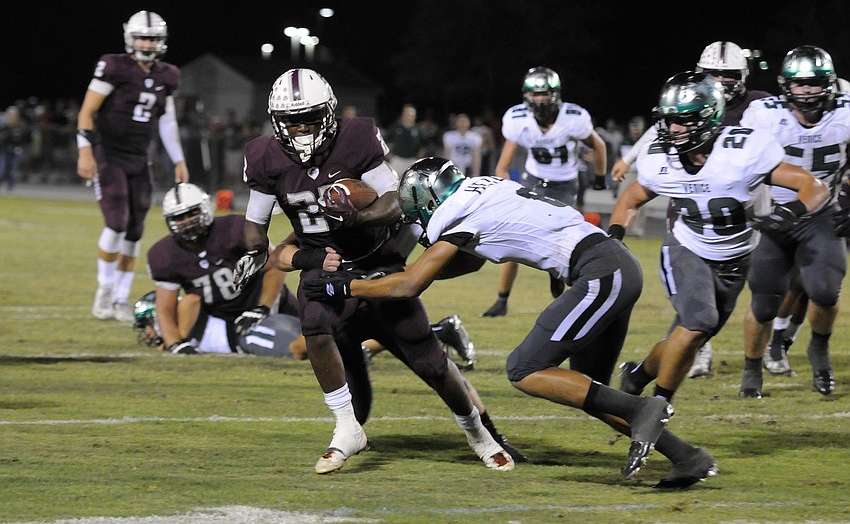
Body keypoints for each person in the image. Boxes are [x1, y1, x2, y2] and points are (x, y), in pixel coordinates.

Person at [304, 157, 720, 488]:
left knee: (524, 368)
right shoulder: (485, 188)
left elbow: (410, 285)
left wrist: (347, 285)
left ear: (428, 200)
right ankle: (687, 456)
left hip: (597, 272)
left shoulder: (458, 211)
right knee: (587, 389)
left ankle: (645, 406)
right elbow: (460, 264)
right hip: (608, 266)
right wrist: (387, 279)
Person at [234, 68, 521, 474]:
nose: (300, 130)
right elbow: (255, 229)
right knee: (313, 326)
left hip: (375, 262)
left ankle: (479, 433)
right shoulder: (264, 157)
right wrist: (257, 251)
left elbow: (395, 199)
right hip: (325, 267)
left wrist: (357, 216)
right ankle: (347, 426)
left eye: (310, 119)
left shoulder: (355, 137)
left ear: (329, 113)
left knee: (430, 362)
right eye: (291, 121)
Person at [611, 72, 828, 403]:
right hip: (687, 248)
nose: (673, 130)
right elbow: (631, 199)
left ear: (709, 116)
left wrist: (787, 214)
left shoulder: (743, 150)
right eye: (669, 121)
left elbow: (814, 187)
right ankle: (658, 405)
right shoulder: (660, 159)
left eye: (683, 121)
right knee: (698, 323)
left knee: (692, 336)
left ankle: (637, 376)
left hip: (736, 259)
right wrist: (614, 236)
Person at [610, 41, 773, 378]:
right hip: (693, 212)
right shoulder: (683, 112)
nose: (721, 80)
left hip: (744, 217)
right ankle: (680, 369)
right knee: (698, 313)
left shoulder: (763, 108)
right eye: (713, 73)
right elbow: (658, 139)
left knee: (718, 312)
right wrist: (627, 160)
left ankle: (647, 371)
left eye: (728, 74)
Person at [737, 45, 850, 397]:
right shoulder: (764, 114)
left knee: (826, 292)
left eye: (815, 83)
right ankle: (752, 369)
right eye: (799, 84)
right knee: (763, 303)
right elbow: (739, 160)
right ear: (786, 85)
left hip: (820, 215)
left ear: (830, 83)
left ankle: (818, 346)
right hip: (774, 215)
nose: (807, 91)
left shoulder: (846, 113)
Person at [76, 10, 189, 322]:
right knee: (116, 222)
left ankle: (121, 299)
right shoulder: (114, 66)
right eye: (142, 37)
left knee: (135, 230)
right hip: (107, 153)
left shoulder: (168, 74)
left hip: (139, 157)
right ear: (130, 37)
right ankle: (105, 290)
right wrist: (85, 152)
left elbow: (167, 121)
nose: (147, 43)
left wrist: (179, 159)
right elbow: (87, 112)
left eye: (152, 38)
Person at [482, 66, 608, 317]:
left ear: (556, 94)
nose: (540, 100)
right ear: (526, 96)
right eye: (535, 94)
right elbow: (503, 166)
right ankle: (502, 300)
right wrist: (506, 188)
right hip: (534, 180)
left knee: (563, 241)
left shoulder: (572, 117)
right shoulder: (519, 120)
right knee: (512, 236)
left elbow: (599, 146)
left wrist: (600, 178)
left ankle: (562, 282)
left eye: (545, 94)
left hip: (564, 184)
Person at [146, 183, 294, 354]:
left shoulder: (234, 228)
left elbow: (273, 267)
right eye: (179, 217)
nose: (186, 222)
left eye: (192, 213)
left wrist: (261, 308)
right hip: (224, 320)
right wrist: (174, 344)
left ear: (206, 208)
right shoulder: (164, 254)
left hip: (270, 302)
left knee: (316, 331)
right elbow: (165, 308)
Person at [132, 290, 304, 358]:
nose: (148, 332)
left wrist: (179, 340)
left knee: (299, 350)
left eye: (147, 324)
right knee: (315, 340)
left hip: (249, 334)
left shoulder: (183, 312)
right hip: (260, 327)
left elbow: (191, 300)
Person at [384, 103, 424, 177]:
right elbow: (385, 140)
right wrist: (388, 154)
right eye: (407, 114)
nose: (409, 117)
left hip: (412, 160)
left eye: (411, 115)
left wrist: (420, 156)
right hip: (397, 159)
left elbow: (424, 144)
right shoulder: (395, 128)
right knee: (394, 181)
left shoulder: (418, 129)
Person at [0, 106, 31, 192]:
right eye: (10, 115)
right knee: (1, 170)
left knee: (12, 171)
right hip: (4, 151)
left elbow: (24, 139)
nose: (12, 117)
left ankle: (10, 188)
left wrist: (19, 148)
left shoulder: (20, 127)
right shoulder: (4, 127)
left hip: (14, 152)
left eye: (13, 115)